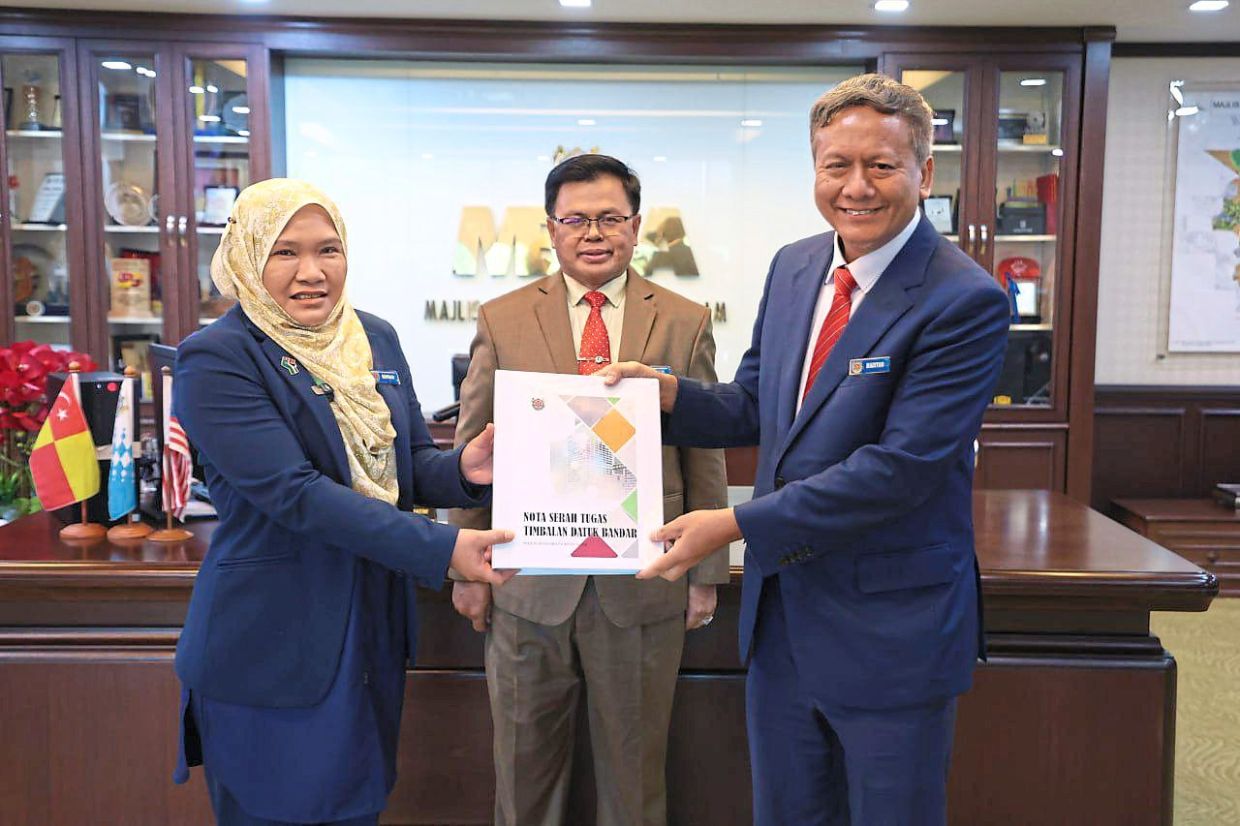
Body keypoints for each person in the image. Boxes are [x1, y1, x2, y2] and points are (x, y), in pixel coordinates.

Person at [601, 73, 1012, 825]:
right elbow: (759, 405)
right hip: (785, 621)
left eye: (881, 166)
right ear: (815, 171)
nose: (856, 187)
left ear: (923, 173)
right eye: (837, 166)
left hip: (893, 633)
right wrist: (663, 396)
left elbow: (899, 470)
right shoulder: (795, 267)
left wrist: (733, 525)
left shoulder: (966, 299)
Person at [171, 178, 513, 826]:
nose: (311, 273)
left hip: (369, 631)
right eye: (285, 253)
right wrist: (446, 549)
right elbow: (296, 495)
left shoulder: (372, 338)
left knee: (357, 808)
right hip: (271, 644)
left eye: (328, 250)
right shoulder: (217, 358)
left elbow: (403, 465)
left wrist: (465, 472)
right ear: (246, 256)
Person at [449, 153, 729, 826]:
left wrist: (706, 571)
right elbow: (469, 446)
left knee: (634, 780)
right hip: (526, 583)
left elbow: (704, 447)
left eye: (610, 218)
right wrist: (464, 566)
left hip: (643, 580)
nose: (594, 233)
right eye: (576, 219)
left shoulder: (684, 320)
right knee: (522, 774)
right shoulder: (503, 317)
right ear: (551, 229)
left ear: (637, 227)